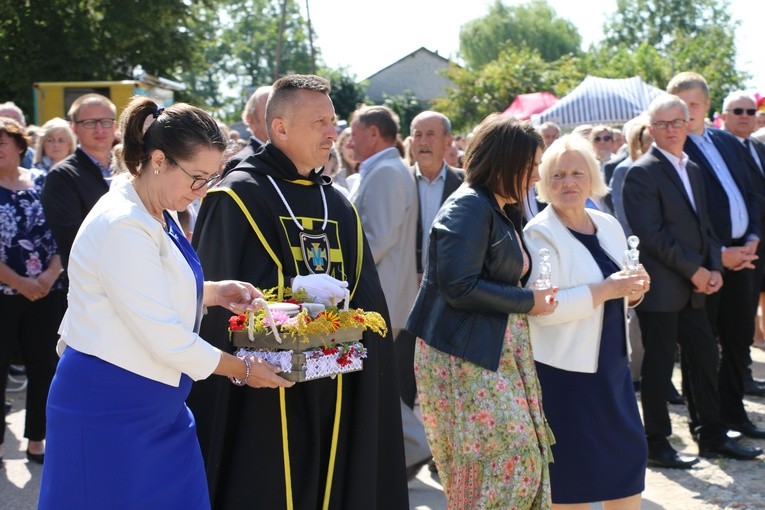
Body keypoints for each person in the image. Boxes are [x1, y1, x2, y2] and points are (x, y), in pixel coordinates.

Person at [37, 96, 293, 509]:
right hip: (107, 404)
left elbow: (148, 293)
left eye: (211, 179)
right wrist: (244, 369)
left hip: (157, 401)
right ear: (158, 160)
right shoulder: (124, 223)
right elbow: (164, 336)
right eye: (197, 178)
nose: (202, 191)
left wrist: (212, 292)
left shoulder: (156, 205)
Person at [187, 74, 408, 509]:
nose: (333, 132)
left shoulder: (339, 203)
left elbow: (367, 295)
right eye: (319, 122)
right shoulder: (236, 197)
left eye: (333, 121)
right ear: (280, 127)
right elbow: (215, 302)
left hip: (341, 383)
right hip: (267, 392)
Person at [406, 115, 558, 508]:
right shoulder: (470, 207)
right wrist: (528, 301)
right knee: (504, 463)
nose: (537, 177)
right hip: (464, 358)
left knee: (516, 463)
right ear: (506, 163)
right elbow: (459, 286)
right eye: (532, 167)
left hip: (493, 351)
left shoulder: (498, 206)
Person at [623, 94, 761, 467]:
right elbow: (654, 236)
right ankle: (656, 442)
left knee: (703, 360)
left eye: (676, 122)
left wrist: (714, 265)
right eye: (662, 124)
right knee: (658, 367)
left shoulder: (693, 169)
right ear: (651, 130)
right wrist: (697, 270)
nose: (670, 130)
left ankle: (712, 436)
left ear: (689, 124)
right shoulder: (642, 172)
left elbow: (704, 228)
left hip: (697, 287)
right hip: (664, 291)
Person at [524, 134, 649, 509]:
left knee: (627, 468)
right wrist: (607, 289)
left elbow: (622, 292)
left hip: (612, 368)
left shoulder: (607, 223)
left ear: (592, 177)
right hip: (566, 375)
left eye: (577, 173)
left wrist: (636, 289)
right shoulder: (539, 233)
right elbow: (544, 309)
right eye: (558, 174)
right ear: (545, 182)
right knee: (575, 482)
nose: (568, 183)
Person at [668, 72, 765, 441]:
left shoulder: (726, 141)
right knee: (702, 349)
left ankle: (734, 413)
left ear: (707, 106)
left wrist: (753, 236)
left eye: (692, 104)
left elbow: (751, 194)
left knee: (739, 340)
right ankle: (707, 426)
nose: (685, 112)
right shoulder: (675, 150)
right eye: (679, 104)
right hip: (709, 265)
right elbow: (688, 215)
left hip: (746, 258)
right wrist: (720, 254)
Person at [0, 117, 64, 466]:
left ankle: (37, 439)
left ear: (20, 147)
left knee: (44, 368)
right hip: (4, 294)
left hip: (46, 292)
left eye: (1, 144)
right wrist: (20, 282)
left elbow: (62, 233)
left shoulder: (42, 182)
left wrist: (51, 274)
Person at [41, 93, 117, 270]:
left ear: (114, 125)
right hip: (90, 284)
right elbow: (72, 237)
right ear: (74, 128)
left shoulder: (129, 168)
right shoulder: (61, 176)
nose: (99, 129)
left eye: (105, 121)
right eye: (89, 123)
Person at [720, 91, 765, 389]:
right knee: (738, 317)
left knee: (750, 309)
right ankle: (740, 377)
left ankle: (744, 374)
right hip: (736, 248)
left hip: (758, 241)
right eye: (738, 111)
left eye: (751, 111)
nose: (745, 116)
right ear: (724, 115)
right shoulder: (721, 149)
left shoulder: (758, 148)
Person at [0, 102, 34, 168]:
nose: (12, 123)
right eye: (5, 118)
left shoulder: (35, 158)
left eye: (16, 119)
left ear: (24, 126)